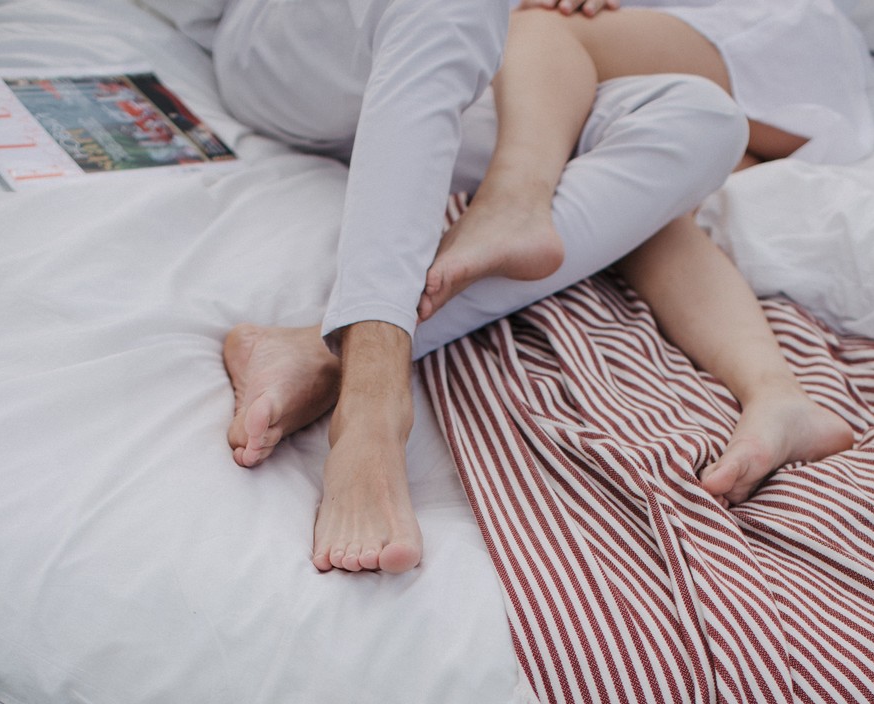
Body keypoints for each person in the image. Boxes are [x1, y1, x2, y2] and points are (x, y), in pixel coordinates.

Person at [212, 0, 750, 573]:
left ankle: (318, 347)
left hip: (463, 58)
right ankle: (371, 403)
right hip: (304, 44)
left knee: (707, 119)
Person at [419, 0, 873, 506]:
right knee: (643, 195)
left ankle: (511, 204)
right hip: (703, 73)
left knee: (541, 30)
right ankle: (778, 395)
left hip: (761, 32)